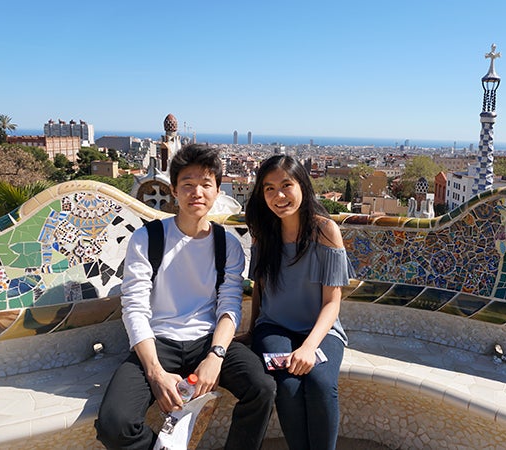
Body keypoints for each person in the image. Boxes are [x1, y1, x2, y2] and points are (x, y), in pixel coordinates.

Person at [95, 144, 276, 450]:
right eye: (188, 185)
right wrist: (154, 372)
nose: (197, 193)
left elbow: (229, 307)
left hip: (207, 340)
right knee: (115, 424)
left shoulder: (227, 245)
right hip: (158, 342)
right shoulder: (148, 239)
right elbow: (135, 308)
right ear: (174, 191)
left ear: (217, 191)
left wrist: (215, 357)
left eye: (206, 185)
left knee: (262, 388)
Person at [245, 154, 354, 450]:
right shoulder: (263, 233)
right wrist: (253, 330)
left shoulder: (325, 231)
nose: (278, 196)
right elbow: (260, 288)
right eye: (269, 188)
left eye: (286, 185)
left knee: (320, 383)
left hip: (320, 330)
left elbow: (332, 302)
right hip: (274, 327)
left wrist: (308, 347)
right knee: (287, 385)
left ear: (302, 186)